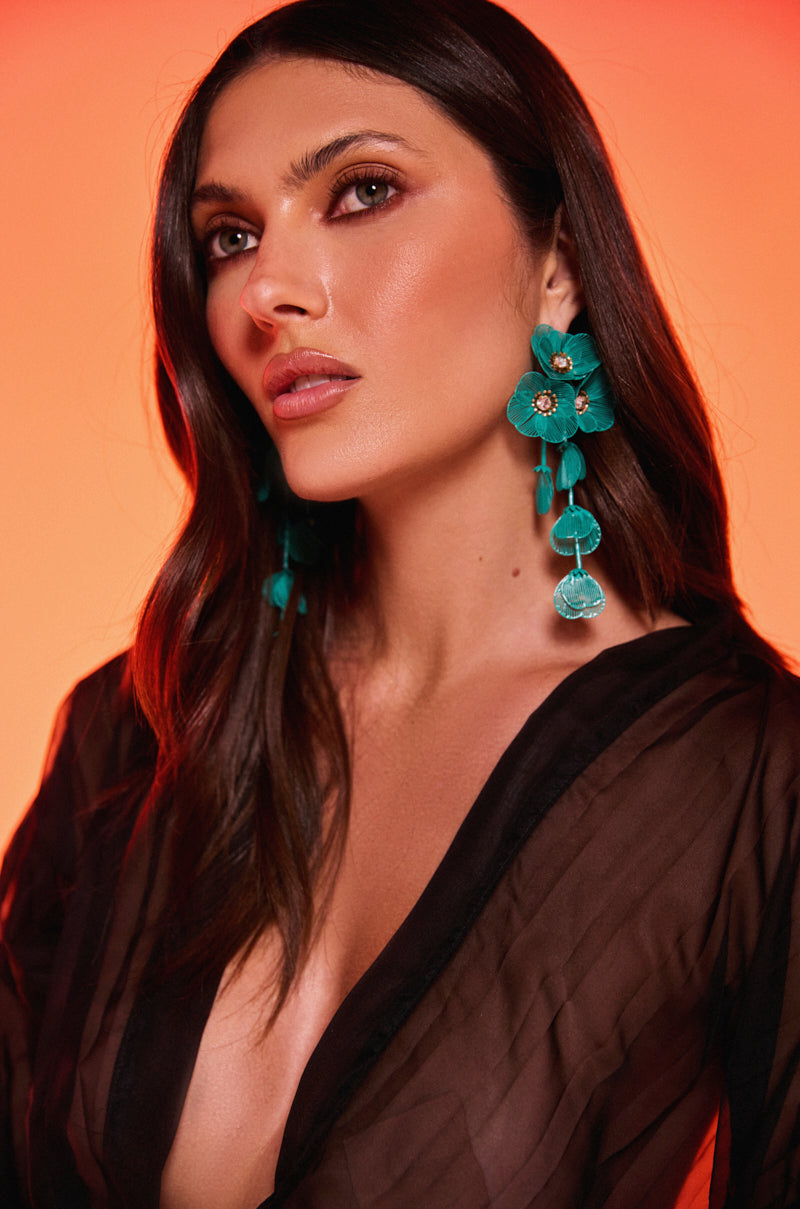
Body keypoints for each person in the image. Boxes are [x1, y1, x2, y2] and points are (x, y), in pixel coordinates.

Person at [2, 0, 799, 1205]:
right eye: (227, 236)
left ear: (558, 269)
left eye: (362, 191)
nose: (269, 286)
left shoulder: (745, 783)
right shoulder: (140, 729)